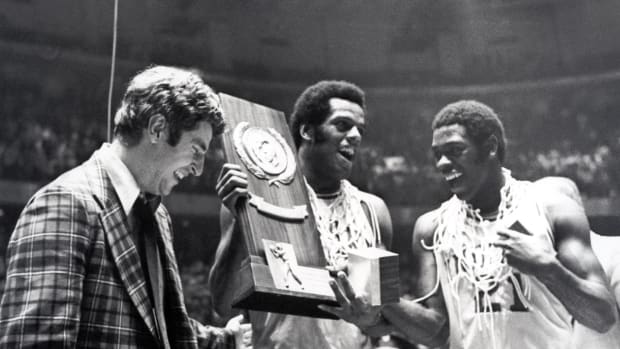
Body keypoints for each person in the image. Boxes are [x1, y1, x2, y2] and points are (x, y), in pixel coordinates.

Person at [325, 100, 617, 349]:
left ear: (490, 147)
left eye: (454, 150)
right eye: (437, 154)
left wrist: (547, 268)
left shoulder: (552, 211)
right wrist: (380, 301)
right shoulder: (431, 228)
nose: (441, 163)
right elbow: (439, 332)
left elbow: (602, 317)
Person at [0, 66, 252, 348]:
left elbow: (160, 329)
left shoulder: (157, 214)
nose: (198, 169)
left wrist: (226, 339)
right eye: (196, 149)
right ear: (157, 128)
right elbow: (36, 342)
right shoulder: (65, 202)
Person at [209, 80, 393, 348]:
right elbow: (223, 306)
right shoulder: (256, 198)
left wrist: (366, 316)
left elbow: (382, 322)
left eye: (360, 129)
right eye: (342, 125)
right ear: (307, 130)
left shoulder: (373, 211)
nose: (355, 135)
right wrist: (242, 216)